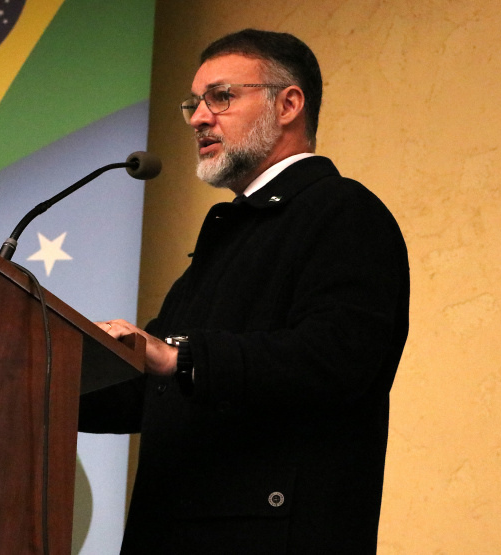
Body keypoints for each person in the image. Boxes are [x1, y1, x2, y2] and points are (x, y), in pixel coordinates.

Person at [79, 29, 410, 554]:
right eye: (193, 103)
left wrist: (178, 357)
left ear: (288, 104)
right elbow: (156, 390)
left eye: (221, 97)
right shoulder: (227, 241)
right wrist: (41, 380)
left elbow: (339, 358)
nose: (197, 117)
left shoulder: (343, 211)